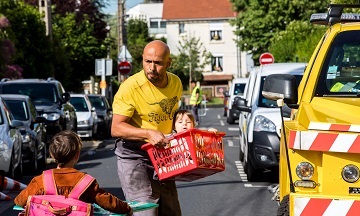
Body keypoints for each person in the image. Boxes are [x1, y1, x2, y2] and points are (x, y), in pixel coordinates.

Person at [111, 40, 183, 216]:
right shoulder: (131, 87)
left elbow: (171, 117)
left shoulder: (176, 83)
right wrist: (148, 133)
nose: (151, 67)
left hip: (163, 156)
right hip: (135, 155)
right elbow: (116, 128)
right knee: (146, 212)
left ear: (168, 63)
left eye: (157, 63)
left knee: (171, 212)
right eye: (147, 61)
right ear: (142, 59)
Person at [14, 130, 133, 216]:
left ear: (52, 155)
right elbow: (107, 201)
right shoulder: (85, 182)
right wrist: (127, 209)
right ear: (77, 155)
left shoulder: (41, 180)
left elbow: (19, 201)